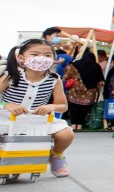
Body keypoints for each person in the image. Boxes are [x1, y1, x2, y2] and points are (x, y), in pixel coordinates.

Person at [0, 39, 76, 177]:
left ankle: (55, 155)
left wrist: (51, 106)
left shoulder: (54, 79)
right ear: (21, 58)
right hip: (6, 118)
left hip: (37, 120)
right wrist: (6, 105)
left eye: (47, 55)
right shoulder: (11, 76)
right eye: (34, 54)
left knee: (66, 135)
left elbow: (63, 106)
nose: (41, 58)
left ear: (54, 59)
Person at [62, 50, 104, 130]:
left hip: (75, 89)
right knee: (84, 108)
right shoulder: (96, 66)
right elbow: (101, 81)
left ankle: (74, 124)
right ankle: (80, 125)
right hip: (90, 91)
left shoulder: (75, 64)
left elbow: (67, 76)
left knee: (74, 107)